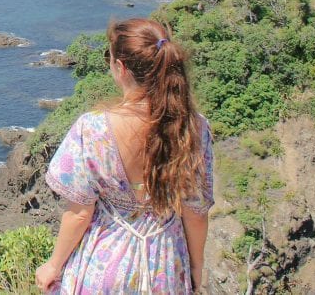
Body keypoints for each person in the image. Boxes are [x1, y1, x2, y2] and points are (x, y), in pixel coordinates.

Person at [34, 18, 214, 294]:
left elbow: (80, 213)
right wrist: (195, 269)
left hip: (103, 264)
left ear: (120, 67)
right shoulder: (193, 128)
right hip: (165, 266)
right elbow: (195, 213)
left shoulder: (93, 128)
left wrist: (53, 265)